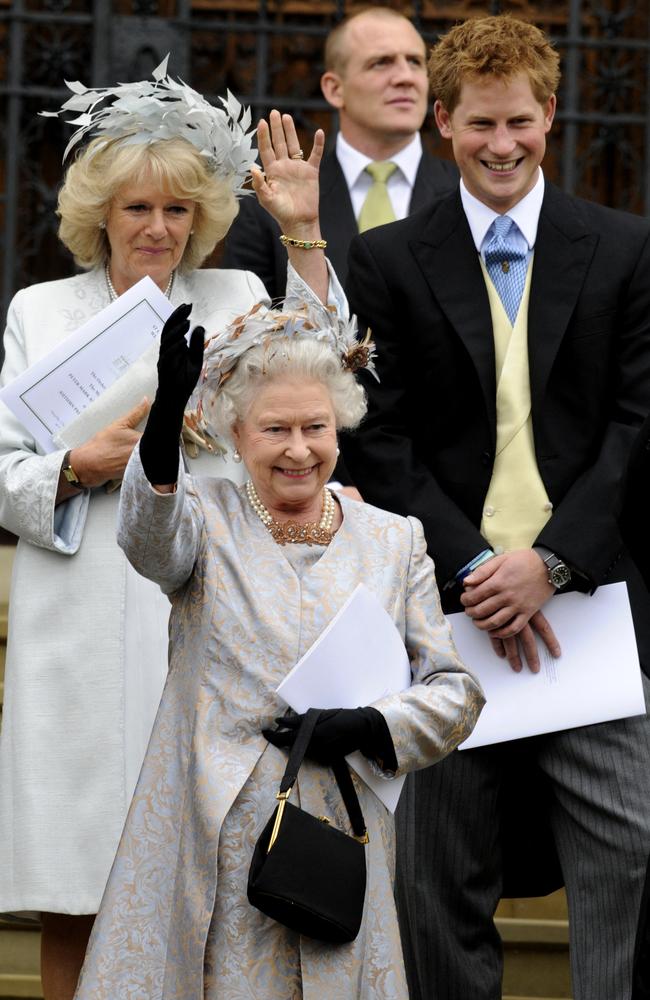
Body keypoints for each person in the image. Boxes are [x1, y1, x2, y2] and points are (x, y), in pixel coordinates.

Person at [0, 58, 345, 1000]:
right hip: (73, 622)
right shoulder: (42, 311)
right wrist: (84, 464)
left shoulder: (233, 299)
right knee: (80, 882)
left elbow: (327, 371)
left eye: (177, 211)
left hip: (197, 611)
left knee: (207, 883)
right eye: (137, 210)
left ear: (202, 218)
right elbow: (3, 471)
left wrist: (304, 235)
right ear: (98, 215)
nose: (157, 229)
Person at [340, 13, 650, 1000]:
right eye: (478, 124)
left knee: (628, 858)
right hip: (442, 619)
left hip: (590, 611)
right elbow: (376, 439)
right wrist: (476, 566)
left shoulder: (625, 248)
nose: (500, 144)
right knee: (432, 884)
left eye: (517, 121)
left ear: (549, 116)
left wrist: (550, 561)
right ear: (441, 122)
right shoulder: (387, 261)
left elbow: (638, 426)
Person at [71, 301, 484, 998]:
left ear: (340, 427)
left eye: (315, 428)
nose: (299, 450)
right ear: (237, 433)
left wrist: (375, 725)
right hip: (216, 841)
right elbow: (146, 540)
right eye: (275, 430)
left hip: (340, 839)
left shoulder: (394, 540)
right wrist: (167, 416)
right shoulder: (204, 521)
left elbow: (455, 693)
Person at [221, 5, 458, 296]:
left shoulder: (466, 192)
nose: (405, 77)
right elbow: (246, 329)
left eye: (416, 62)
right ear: (334, 89)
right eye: (381, 63)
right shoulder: (267, 208)